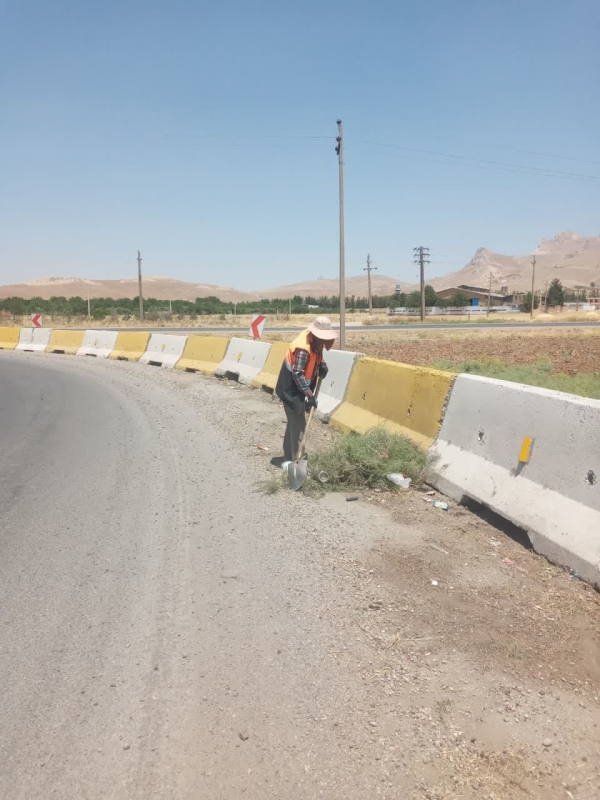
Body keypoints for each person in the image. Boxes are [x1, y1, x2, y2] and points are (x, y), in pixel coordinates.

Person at [273, 316, 337, 467]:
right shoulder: (303, 349)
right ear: (315, 335)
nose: (323, 342)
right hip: (290, 389)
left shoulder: (315, 341)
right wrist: (310, 395)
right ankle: (297, 462)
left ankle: (288, 459)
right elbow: (297, 374)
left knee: (294, 423)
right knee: (299, 424)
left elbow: (317, 355)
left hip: (298, 389)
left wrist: (322, 364)